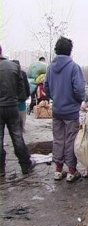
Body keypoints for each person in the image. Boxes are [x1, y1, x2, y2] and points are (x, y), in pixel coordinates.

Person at [44, 37, 85, 182]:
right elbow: (79, 90)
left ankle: (58, 169)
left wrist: (55, 98)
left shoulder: (50, 68)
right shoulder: (74, 67)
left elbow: (46, 88)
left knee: (58, 140)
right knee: (70, 141)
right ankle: (72, 171)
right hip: (71, 111)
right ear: (70, 50)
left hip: (57, 110)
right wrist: (78, 100)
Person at [0, 45, 36, 177]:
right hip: (12, 106)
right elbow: (22, 92)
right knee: (17, 136)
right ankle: (25, 165)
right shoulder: (14, 66)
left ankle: (1, 169)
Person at [12, 60, 30, 132]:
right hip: (22, 97)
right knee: (22, 113)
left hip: (13, 98)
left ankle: (15, 127)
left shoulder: (11, 74)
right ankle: (22, 127)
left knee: (14, 114)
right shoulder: (23, 73)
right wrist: (28, 94)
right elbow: (27, 85)